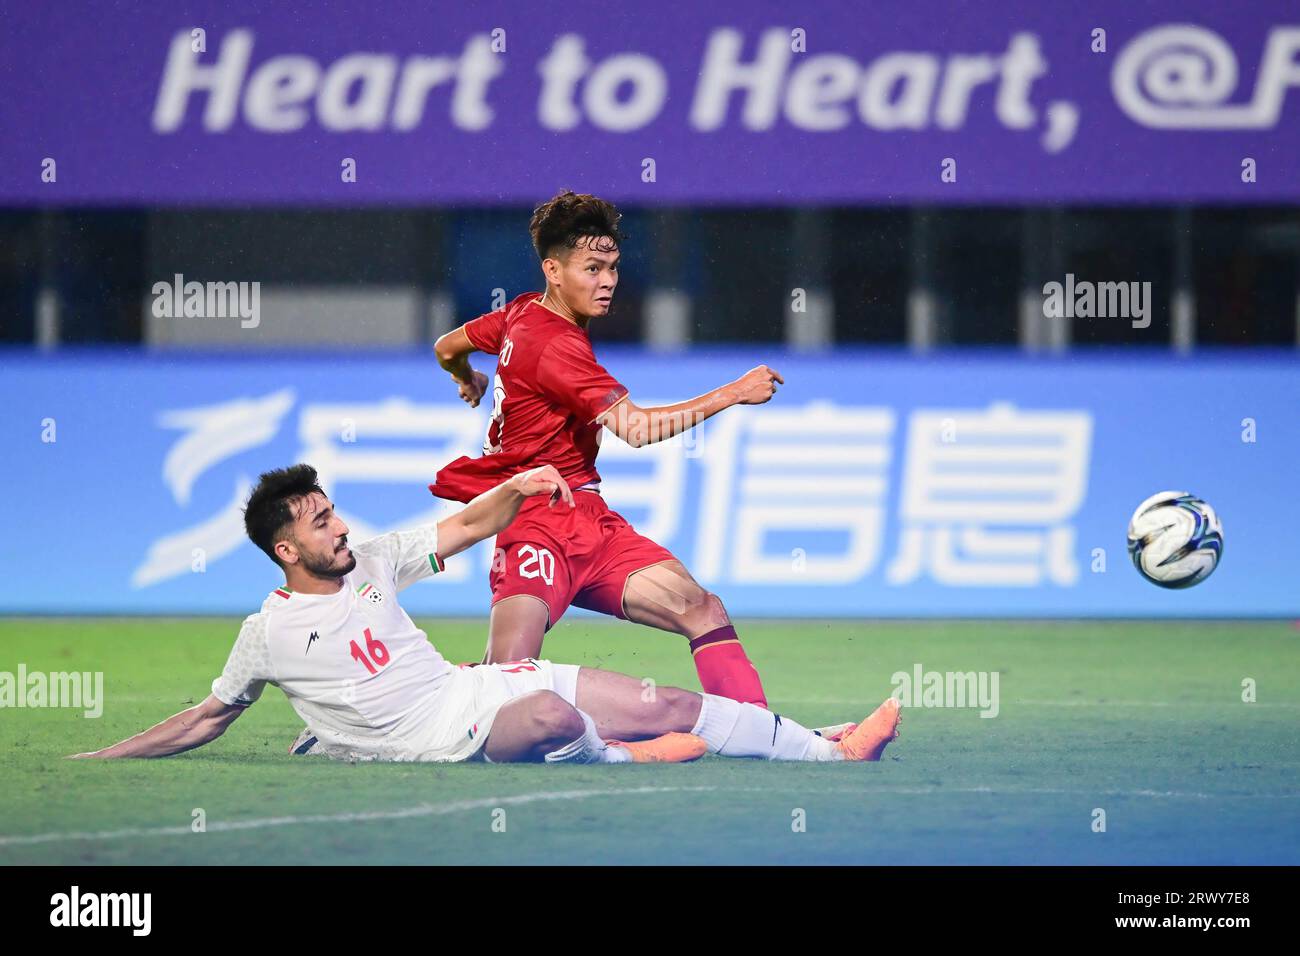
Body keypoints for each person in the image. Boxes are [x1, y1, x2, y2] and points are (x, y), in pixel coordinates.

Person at [71, 464, 901, 764]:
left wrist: (521, 484)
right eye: (320, 521)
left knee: (664, 703)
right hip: (438, 743)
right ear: (286, 550)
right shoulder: (265, 636)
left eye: (334, 510)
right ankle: (617, 759)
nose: (340, 526)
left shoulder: (375, 562)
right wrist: (107, 754)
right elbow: (206, 717)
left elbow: (466, 526)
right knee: (548, 713)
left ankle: (833, 751)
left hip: (470, 695)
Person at [431, 189, 786, 711]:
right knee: (506, 680)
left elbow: (445, 347)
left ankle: (766, 735)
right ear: (553, 270)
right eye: (592, 268)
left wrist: (468, 377)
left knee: (702, 609)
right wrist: (732, 393)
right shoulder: (555, 345)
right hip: (535, 520)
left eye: (613, 267)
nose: (608, 283)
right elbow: (637, 430)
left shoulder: (521, 311)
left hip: (589, 520)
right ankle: (385, 705)